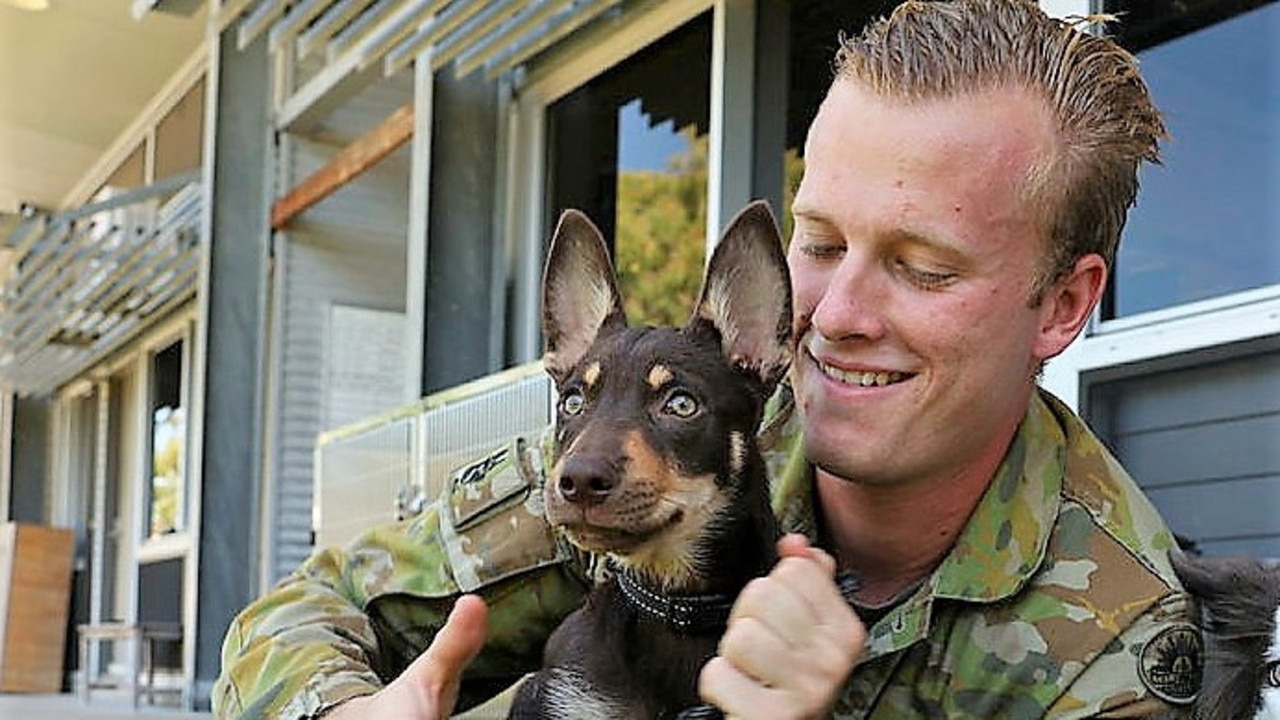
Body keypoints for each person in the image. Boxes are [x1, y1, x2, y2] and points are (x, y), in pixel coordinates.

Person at [212, 0, 1201, 718]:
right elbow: (312, 605)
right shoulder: (696, 421)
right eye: (815, 245)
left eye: (923, 268)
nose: (834, 315)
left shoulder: (1107, 648)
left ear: (1062, 307)